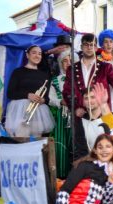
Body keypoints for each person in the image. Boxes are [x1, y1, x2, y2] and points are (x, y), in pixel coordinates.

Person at [63, 33, 113, 117]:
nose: (89, 47)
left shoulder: (105, 67)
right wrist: (75, 108)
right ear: (81, 47)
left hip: (102, 115)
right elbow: (67, 92)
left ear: (96, 48)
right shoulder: (72, 69)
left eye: (92, 45)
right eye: (86, 44)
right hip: (80, 115)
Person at [5, 45, 54, 137]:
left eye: (39, 54)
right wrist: (27, 95)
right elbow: (10, 93)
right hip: (21, 111)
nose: (37, 56)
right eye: (34, 53)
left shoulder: (45, 75)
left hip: (38, 110)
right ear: (27, 55)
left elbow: (47, 97)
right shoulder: (18, 72)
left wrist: (43, 100)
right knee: (21, 139)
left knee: (36, 143)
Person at [72, 87, 113, 161]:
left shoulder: (112, 117)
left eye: (93, 97)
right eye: (86, 98)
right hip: (94, 163)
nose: (89, 101)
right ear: (83, 102)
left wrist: (111, 161)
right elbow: (81, 151)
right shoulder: (81, 123)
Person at [48, 49, 77, 178]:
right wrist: (60, 102)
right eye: (65, 61)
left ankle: (76, 176)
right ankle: (61, 176)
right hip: (62, 116)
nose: (68, 63)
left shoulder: (79, 79)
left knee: (77, 145)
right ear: (60, 63)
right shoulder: (55, 80)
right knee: (61, 145)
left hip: (77, 115)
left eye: (71, 60)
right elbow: (50, 98)